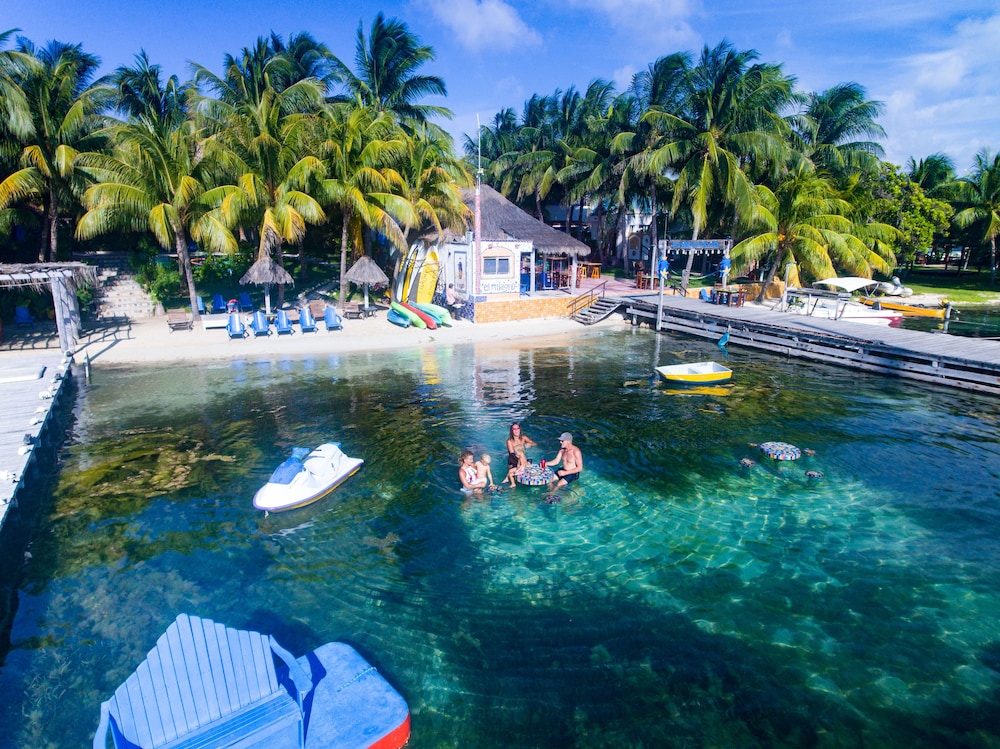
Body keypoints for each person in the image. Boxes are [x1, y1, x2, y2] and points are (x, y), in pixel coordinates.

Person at [505, 423, 537, 487]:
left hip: (521, 458)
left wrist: (530, 444)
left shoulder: (523, 438)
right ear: (512, 431)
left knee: (527, 469)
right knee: (513, 475)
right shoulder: (509, 441)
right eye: (514, 429)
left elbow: (535, 443)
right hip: (513, 460)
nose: (516, 430)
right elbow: (512, 454)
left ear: (520, 429)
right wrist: (522, 463)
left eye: (517, 428)